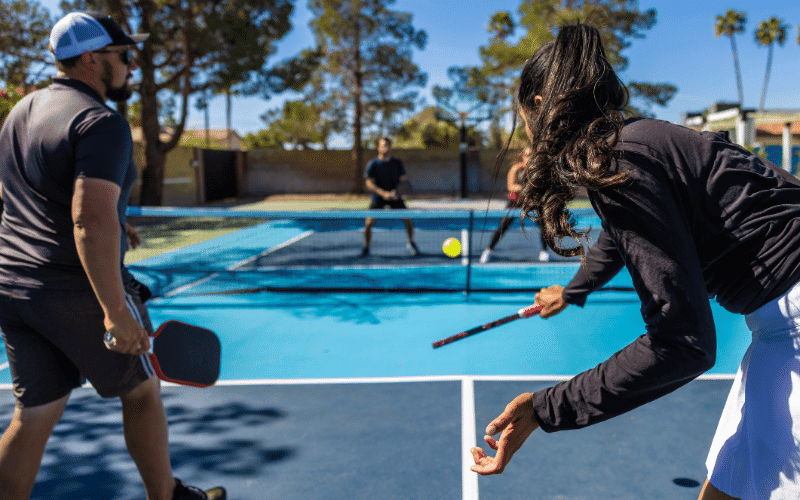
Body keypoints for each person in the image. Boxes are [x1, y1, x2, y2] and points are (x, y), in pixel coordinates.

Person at [469, 23, 800, 500]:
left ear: (539, 107)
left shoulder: (623, 159)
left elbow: (683, 343)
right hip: (780, 323)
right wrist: (574, 290)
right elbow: (620, 236)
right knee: (727, 486)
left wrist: (546, 409)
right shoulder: (638, 143)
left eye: (521, 115)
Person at [0, 12, 225, 500]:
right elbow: (88, 220)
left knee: (34, 414)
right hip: (74, 290)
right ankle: (166, 497)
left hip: (14, 287)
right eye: (124, 56)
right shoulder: (101, 122)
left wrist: (116, 220)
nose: (131, 67)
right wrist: (115, 311)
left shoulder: (23, 110)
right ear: (91, 59)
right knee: (142, 392)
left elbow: (30, 192)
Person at [479, 146, 550, 263]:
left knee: (544, 226)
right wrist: (526, 188)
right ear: (523, 156)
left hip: (531, 203)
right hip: (515, 203)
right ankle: (488, 251)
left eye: (533, 155)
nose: (530, 157)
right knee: (503, 226)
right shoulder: (516, 169)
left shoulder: (537, 170)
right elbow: (510, 186)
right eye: (528, 155)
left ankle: (544, 252)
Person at [360, 136, 420, 257]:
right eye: (383, 145)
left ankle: (411, 243)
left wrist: (396, 193)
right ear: (378, 148)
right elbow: (369, 183)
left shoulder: (397, 163)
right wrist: (383, 193)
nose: (385, 148)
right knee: (368, 224)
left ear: (390, 147)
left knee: (408, 221)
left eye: (387, 145)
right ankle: (366, 247)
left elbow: (403, 181)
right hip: (378, 198)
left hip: (395, 198)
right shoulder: (373, 164)